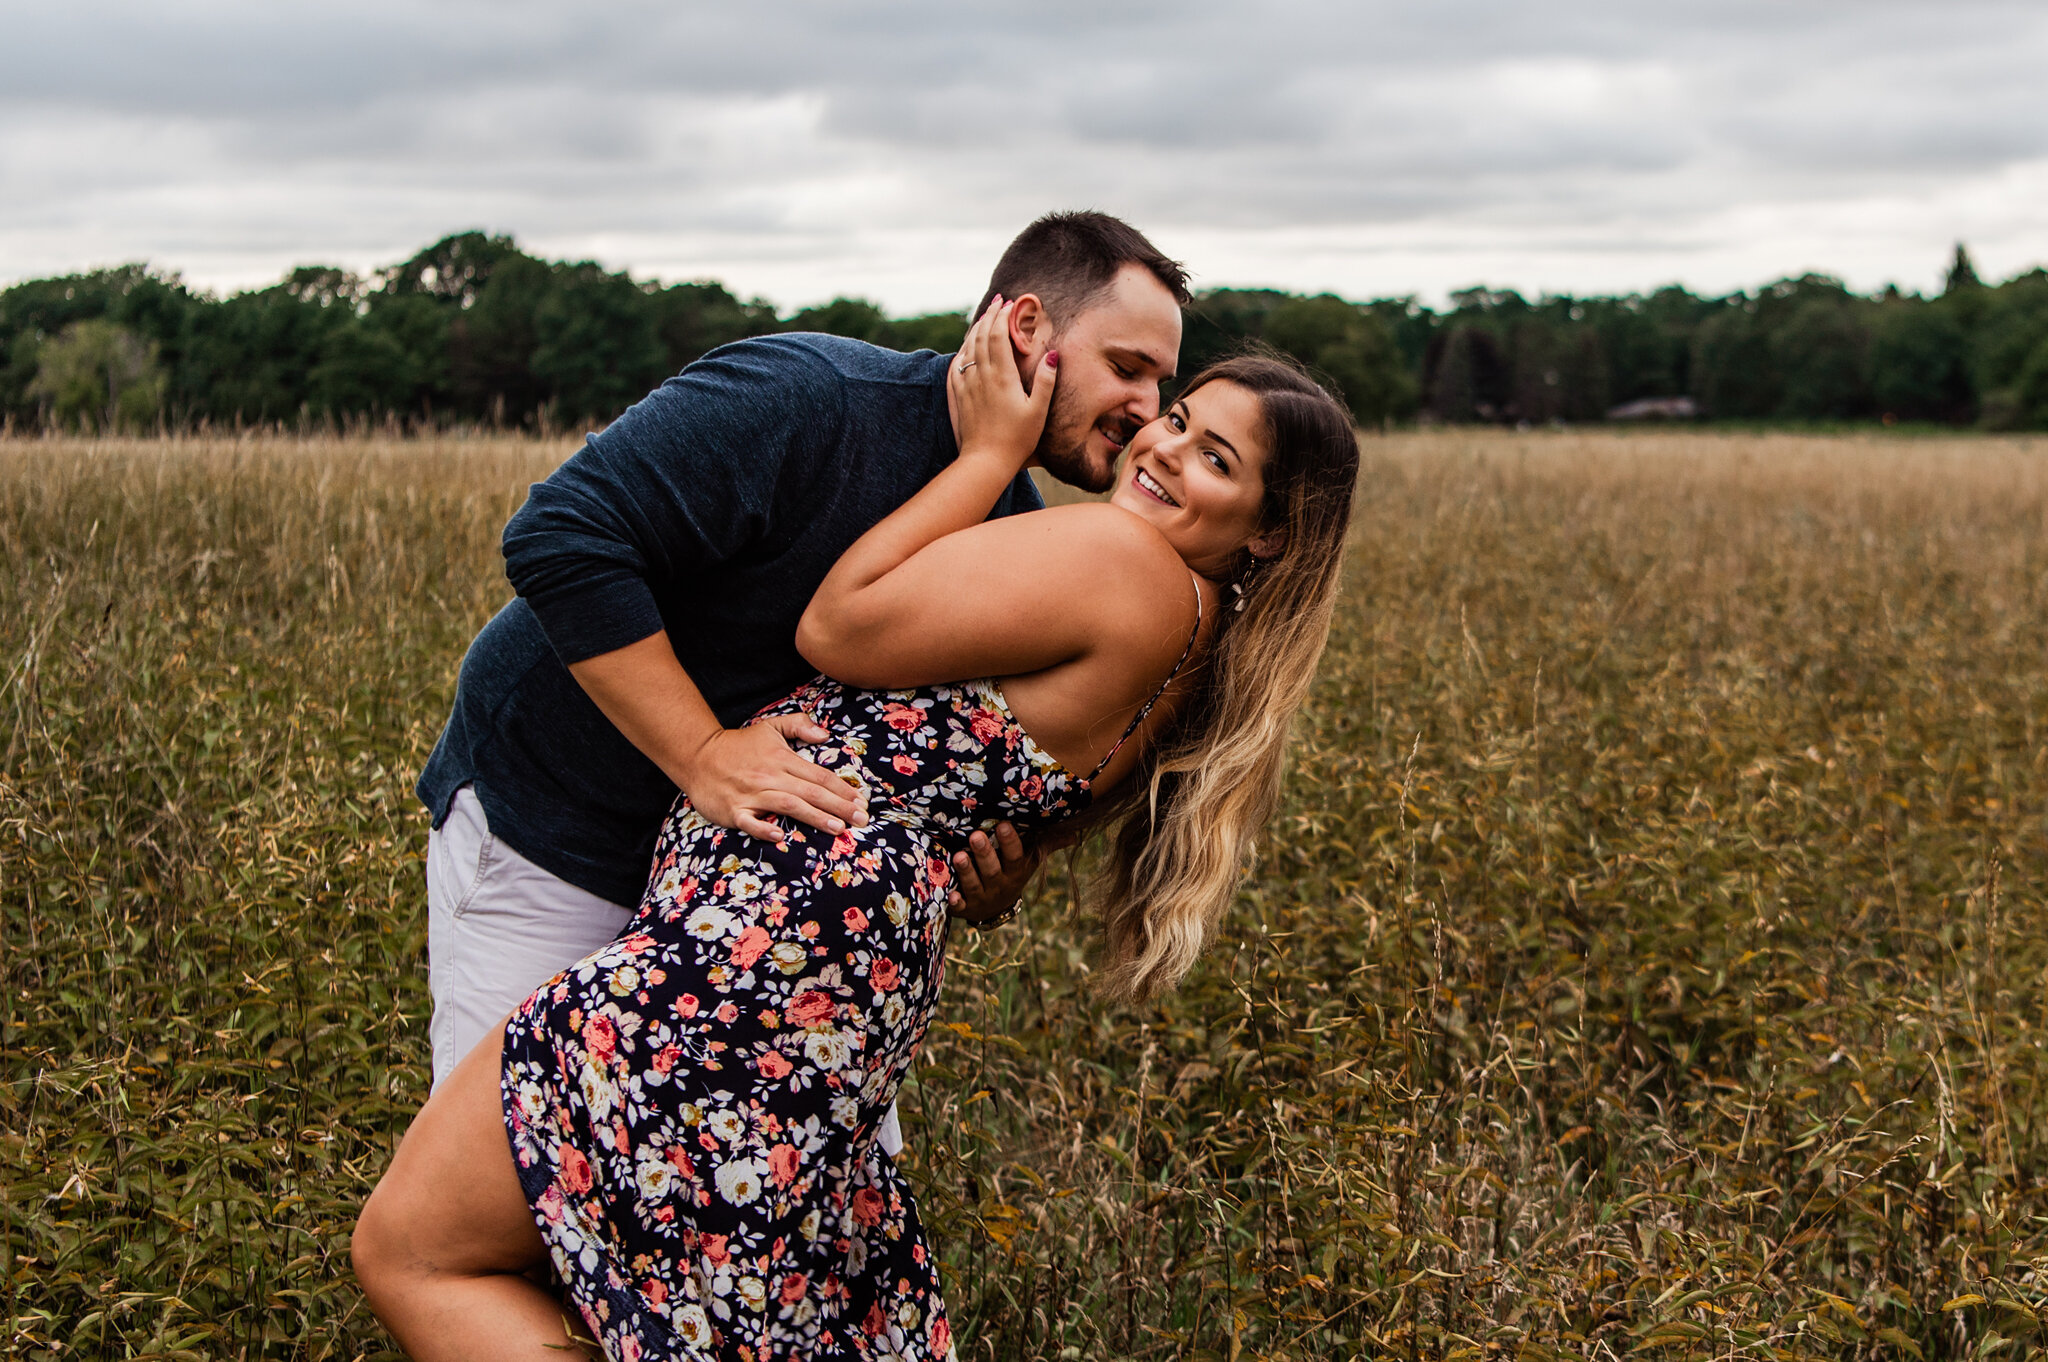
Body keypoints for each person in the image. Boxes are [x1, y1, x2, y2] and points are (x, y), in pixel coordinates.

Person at [352, 298, 1363, 1360]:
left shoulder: (1118, 557)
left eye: (1211, 456)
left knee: (418, 1253)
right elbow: (1001, 798)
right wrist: (1001, 871)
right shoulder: (1202, 645)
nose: (1156, 437)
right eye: (1173, 411)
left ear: (1268, 530)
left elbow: (837, 627)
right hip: (826, 972)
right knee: (698, 1307)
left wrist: (984, 456)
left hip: (755, 957)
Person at [412, 212, 1191, 1159]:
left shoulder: (1011, 520)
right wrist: (703, 753)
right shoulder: (809, 395)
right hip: (558, 828)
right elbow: (559, 533)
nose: (1149, 407)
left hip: (741, 888)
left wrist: (987, 866)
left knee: (763, 1192)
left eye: (1163, 381)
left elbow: (931, 742)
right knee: (506, 1183)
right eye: (1129, 367)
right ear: (1027, 328)